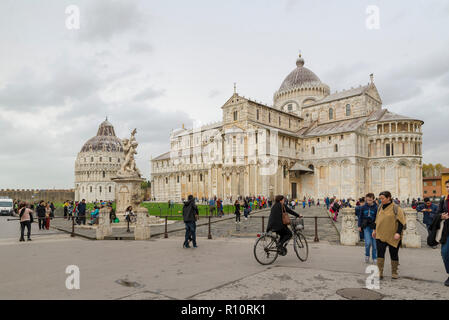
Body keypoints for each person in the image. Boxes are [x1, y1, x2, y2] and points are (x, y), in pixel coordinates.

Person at [372, 191, 406, 280]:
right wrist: (374, 230)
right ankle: (380, 272)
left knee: (394, 254)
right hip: (380, 234)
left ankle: (394, 272)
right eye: (380, 198)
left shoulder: (396, 208)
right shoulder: (379, 207)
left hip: (393, 235)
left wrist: (398, 233)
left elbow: (401, 222)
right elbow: (377, 220)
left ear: (389, 198)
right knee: (380, 253)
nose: (381, 200)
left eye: (382, 198)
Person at [433, 180, 449, 286]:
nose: (448, 188)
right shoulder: (444, 200)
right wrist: (441, 216)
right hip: (446, 231)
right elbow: (437, 213)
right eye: (447, 186)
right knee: (445, 253)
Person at [358, 194, 378, 263]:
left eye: (370, 200)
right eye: (367, 200)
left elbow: (377, 218)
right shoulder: (363, 207)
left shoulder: (376, 207)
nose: (368, 201)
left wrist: (376, 227)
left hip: (374, 227)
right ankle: (367, 255)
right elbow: (360, 217)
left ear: (373, 199)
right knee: (368, 243)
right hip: (366, 227)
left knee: (374, 244)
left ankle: (374, 257)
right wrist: (359, 226)